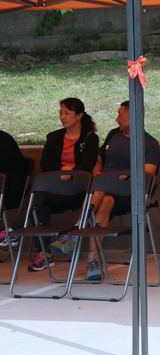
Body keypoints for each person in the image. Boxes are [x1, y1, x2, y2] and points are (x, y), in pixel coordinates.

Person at [47, 100, 160, 282]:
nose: (116, 119)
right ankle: (93, 261)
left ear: (133, 116)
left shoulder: (150, 144)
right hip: (105, 192)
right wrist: (98, 173)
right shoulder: (113, 134)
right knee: (105, 199)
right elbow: (99, 161)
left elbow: (147, 174)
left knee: (100, 187)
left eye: (119, 115)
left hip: (128, 191)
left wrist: (115, 179)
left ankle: (76, 230)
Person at [6, 99, 98, 270]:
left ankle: (14, 231)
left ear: (79, 115)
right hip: (54, 190)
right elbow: (45, 164)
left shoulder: (89, 138)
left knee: (39, 196)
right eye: (61, 112)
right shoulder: (54, 137)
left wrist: (70, 174)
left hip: (78, 192)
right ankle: (44, 254)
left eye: (67, 113)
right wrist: (65, 169)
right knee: (39, 203)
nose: (62, 116)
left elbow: (86, 166)